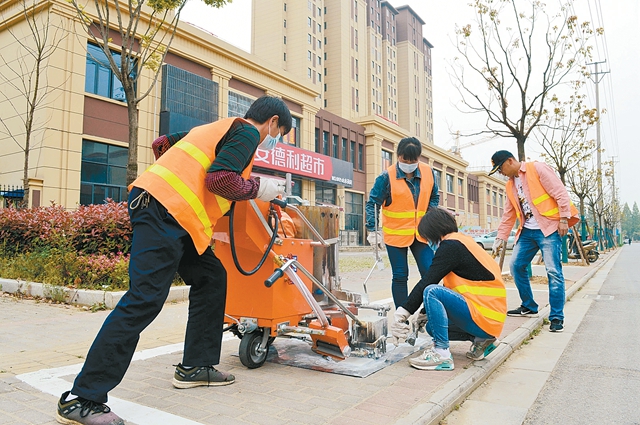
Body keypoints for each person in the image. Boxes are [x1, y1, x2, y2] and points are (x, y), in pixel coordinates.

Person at [56, 96, 292, 425]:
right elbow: (219, 179)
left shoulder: (213, 128)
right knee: (144, 300)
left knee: (212, 277)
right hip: (164, 213)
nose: (274, 140)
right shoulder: (248, 133)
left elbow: (161, 143)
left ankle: (196, 366)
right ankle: (83, 398)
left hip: (173, 215)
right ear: (273, 123)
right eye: (279, 134)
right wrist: (258, 187)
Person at [390, 207, 507, 370]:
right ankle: (483, 340)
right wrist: (424, 312)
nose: (427, 244)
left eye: (426, 239)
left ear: (432, 232)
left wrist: (402, 313)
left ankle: (441, 354)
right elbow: (451, 290)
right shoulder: (463, 242)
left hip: (484, 316)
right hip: (490, 319)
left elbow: (428, 282)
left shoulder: (451, 245)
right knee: (432, 327)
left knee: (431, 290)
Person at [488, 150, 579, 333]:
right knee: (516, 266)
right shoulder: (510, 185)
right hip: (528, 231)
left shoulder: (537, 168)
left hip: (548, 229)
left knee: (553, 272)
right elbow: (509, 213)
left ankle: (556, 317)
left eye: (501, 168)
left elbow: (560, 192)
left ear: (510, 161)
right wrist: (501, 237)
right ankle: (529, 305)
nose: (501, 173)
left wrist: (563, 219)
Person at [365, 137, 439, 308]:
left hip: (422, 233)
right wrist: (373, 230)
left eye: (413, 160)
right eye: (405, 160)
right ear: (398, 156)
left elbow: (434, 196)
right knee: (400, 276)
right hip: (395, 236)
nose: (409, 164)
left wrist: (430, 215)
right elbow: (373, 203)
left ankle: (429, 312)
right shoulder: (386, 177)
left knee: (430, 274)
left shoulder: (429, 173)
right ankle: (401, 319)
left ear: (418, 158)